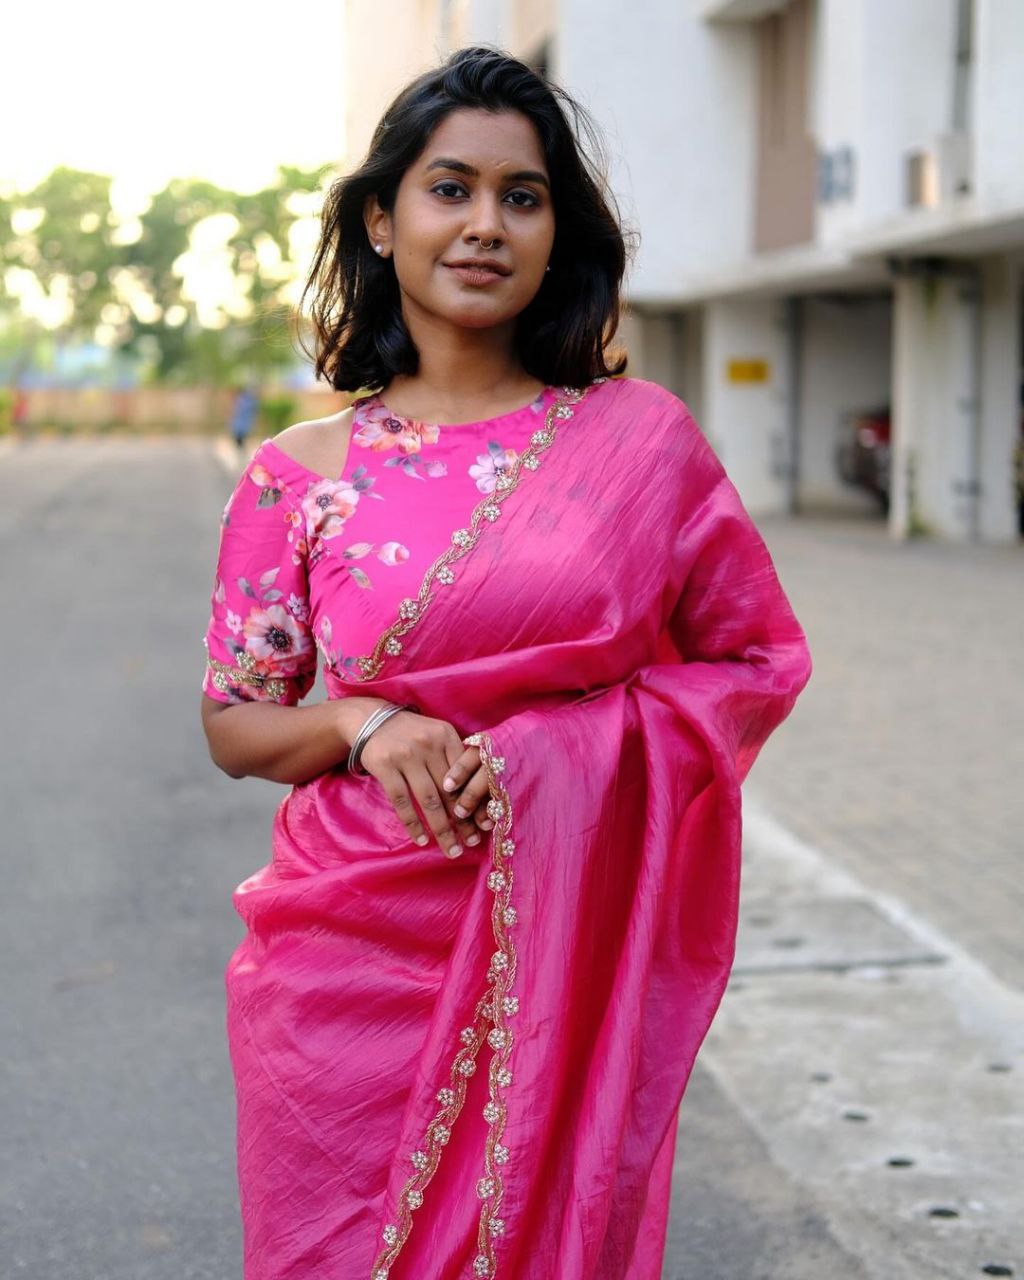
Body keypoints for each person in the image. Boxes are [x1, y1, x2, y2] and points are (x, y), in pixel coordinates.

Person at [199, 45, 812, 1280]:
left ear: (553, 233)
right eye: (450, 188)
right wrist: (361, 722)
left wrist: (553, 750)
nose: (485, 223)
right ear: (382, 221)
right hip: (339, 965)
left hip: (556, 953)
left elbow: (755, 655)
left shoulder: (637, 443)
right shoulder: (296, 474)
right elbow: (235, 722)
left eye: (520, 197)